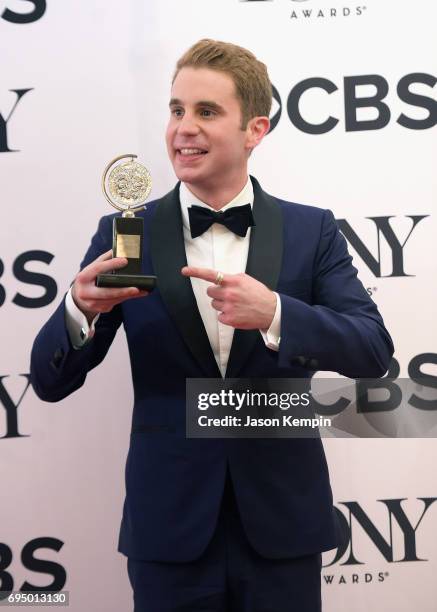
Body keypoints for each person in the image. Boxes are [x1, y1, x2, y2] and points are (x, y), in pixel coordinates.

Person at [30, 39, 394, 612]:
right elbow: (48, 383)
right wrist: (80, 312)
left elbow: (374, 352)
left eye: (206, 112)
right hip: (170, 528)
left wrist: (276, 312)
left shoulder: (312, 230)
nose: (183, 129)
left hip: (282, 528)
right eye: (176, 110)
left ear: (256, 130)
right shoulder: (126, 233)